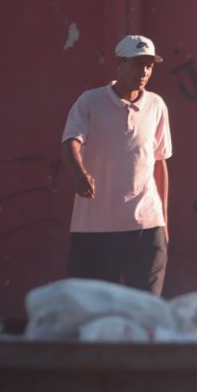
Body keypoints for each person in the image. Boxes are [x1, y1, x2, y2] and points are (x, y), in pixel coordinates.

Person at [61, 35, 172, 295]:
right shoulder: (90, 101)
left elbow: (159, 163)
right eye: (137, 64)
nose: (144, 71)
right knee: (93, 309)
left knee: (147, 310)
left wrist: (163, 222)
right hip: (95, 229)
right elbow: (70, 141)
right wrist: (80, 174)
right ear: (120, 63)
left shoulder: (156, 105)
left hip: (146, 228)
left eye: (149, 65)